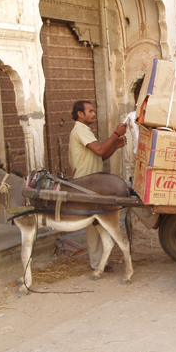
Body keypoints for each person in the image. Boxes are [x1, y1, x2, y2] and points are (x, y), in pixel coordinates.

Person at [68, 100, 127, 272]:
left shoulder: (85, 131)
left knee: (100, 221)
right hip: (85, 183)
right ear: (80, 114)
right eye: (90, 111)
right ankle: (96, 263)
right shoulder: (79, 130)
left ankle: (101, 260)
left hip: (93, 183)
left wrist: (115, 146)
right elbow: (100, 150)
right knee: (93, 225)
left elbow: (99, 157)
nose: (93, 114)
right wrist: (116, 134)